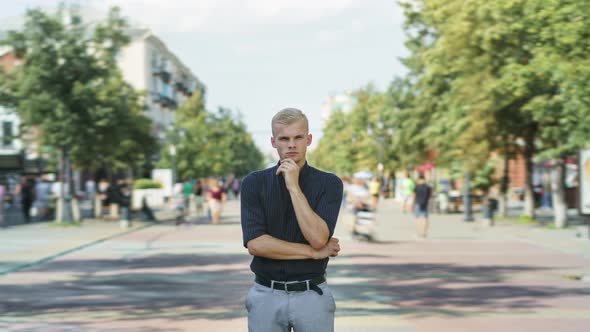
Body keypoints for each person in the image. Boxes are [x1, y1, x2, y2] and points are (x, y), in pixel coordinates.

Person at [240, 108, 343, 332]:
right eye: (284, 138)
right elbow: (256, 244)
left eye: (298, 137)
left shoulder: (330, 184)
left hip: (312, 295)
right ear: (273, 142)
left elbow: (317, 238)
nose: (291, 144)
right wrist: (313, 253)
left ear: (309, 139)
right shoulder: (253, 183)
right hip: (265, 294)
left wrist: (293, 186)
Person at [412, 174, 432, 238]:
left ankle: (419, 232)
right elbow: (430, 196)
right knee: (425, 218)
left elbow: (414, 196)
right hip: (425, 203)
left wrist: (412, 204)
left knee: (417, 218)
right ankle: (424, 232)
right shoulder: (428, 187)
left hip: (417, 203)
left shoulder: (417, 187)